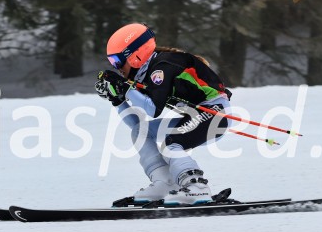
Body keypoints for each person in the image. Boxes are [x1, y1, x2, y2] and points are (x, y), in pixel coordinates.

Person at [95, 22, 232, 205]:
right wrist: (118, 99)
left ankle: (197, 187)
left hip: (215, 112)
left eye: (117, 61)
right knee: (140, 131)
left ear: (135, 55)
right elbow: (136, 121)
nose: (116, 67)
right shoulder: (146, 73)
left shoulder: (161, 67)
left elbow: (152, 109)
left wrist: (125, 89)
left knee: (172, 143)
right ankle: (164, 183)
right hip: (195, 115)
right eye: (112, 62)